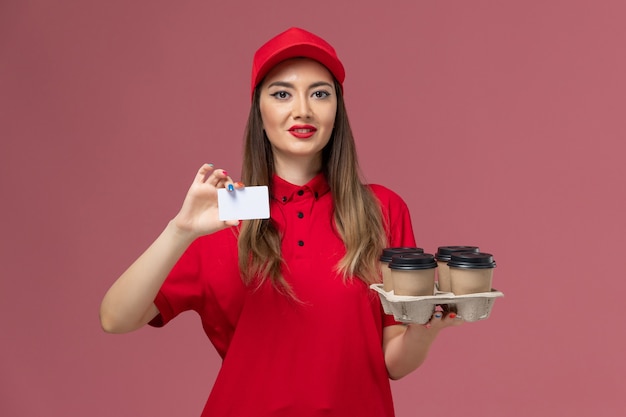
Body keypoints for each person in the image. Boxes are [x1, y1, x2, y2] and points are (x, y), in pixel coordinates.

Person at [100, 27, 462, 417]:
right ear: (259, 109)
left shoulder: (380, 207)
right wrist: (180, 230)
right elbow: (115, 318)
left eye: (320, 93)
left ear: (337, 108)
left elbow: (391, 362)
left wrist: (424, 330)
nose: (302, 109)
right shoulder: (229, 210)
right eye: (282, 93)